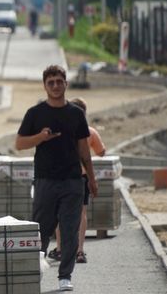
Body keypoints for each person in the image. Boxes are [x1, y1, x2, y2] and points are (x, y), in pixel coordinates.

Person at [15, 65, 98, 292]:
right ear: (45, 85)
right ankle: (37, 271)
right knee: (41, 229)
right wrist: (40, 137)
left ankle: (65, 275)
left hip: (73, 180)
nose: (55, 85)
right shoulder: (35, 113)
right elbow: (19, 143)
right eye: (50, 82)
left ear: (65, 84)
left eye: (59, 81)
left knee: (70, 229)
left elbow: (84, 149)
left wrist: (91, 178)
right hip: (45, 180)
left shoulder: (76, 114)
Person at [48, 97, 106, 264]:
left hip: (61, 176)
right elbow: (101, 152)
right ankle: (80, 251)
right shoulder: (90, 132)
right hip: (81, 176)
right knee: (81, 213)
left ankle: (60, 249)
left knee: (60, 213)